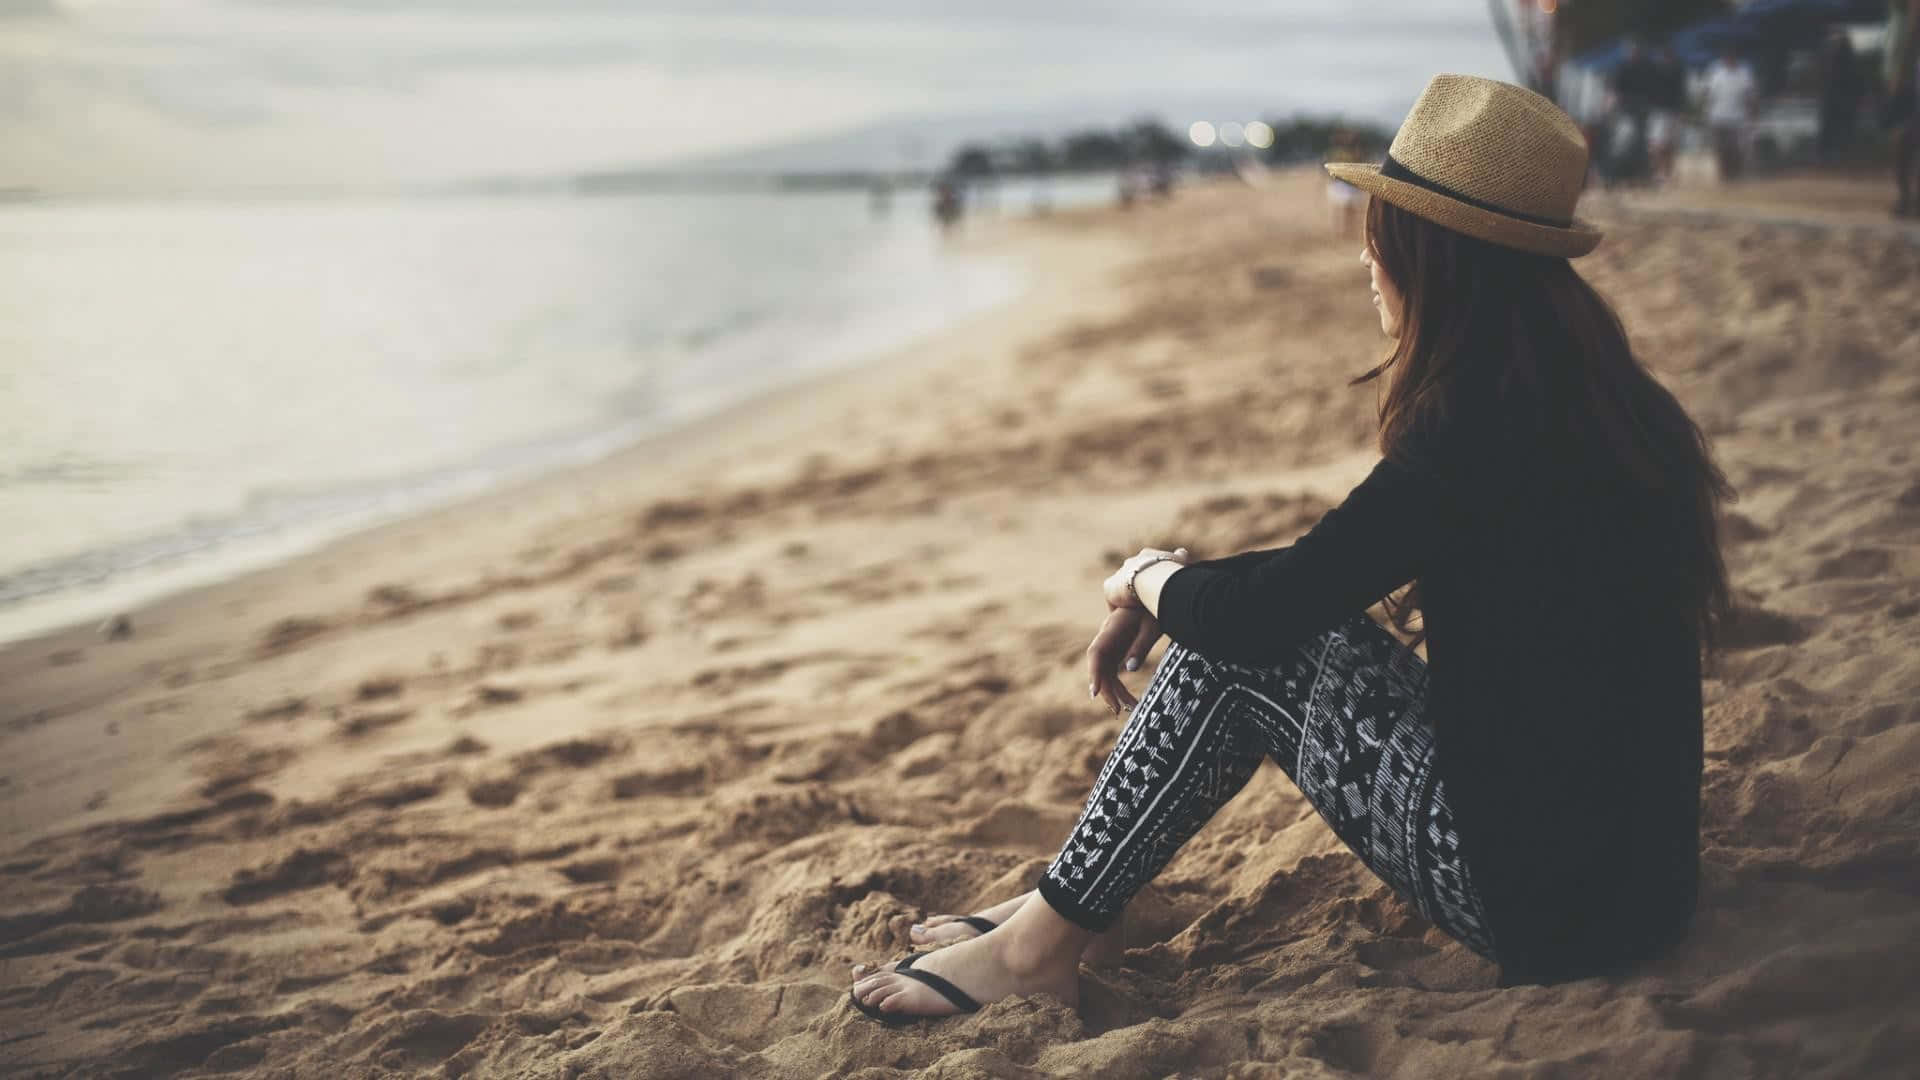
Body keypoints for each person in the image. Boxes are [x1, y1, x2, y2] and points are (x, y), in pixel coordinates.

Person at [849, 74, 1729, 1023]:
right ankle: (1070, 909)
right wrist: (1170, 586)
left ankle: (1040, 946)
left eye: (1381, 235)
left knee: (1239, 649)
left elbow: (1272, 616)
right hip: (1635, 880)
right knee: (1253, 628)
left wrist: (1147, 578)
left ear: (1437, 259)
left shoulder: (1478, 430)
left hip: (1552, 908)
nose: (1365, 259)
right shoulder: (1601, 403)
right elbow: (1323, 571)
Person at [1702, 46, 1757, 181]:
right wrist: (1705, 111)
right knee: (1721, 149)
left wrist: (1753, 114)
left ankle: (1736, 175)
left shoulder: (1744, 73)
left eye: (1732, 57)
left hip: (1738, 117)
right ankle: (1724, 176)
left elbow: (1750, 96)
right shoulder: (1715, 72)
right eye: (1727, 57)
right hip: (1717, 116)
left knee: (1736, 149)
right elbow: (1707, 93)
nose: (1729, 59)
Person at [1886, 0, 1920, 217]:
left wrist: (1902, 68)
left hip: (1909, 67)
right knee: (1907, 132)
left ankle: (1907, 198)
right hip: (1907, 66)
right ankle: (1908, 198)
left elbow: (1914, 24)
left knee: (1905, 132)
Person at [1818, 29, 1863, 161]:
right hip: (1834, 94)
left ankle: (1836, 151)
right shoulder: (1832, 49)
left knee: (1837, 122)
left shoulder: (1835, 49)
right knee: (1832, 122)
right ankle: (1831, 151)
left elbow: (1853, 76)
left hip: (1839, 94)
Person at [1323, 130, 1365, 238]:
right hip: (1345, 184)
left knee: (1346, 209)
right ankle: (1345, 230)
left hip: (1346, 184)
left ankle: (1345, 230)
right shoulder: (1351, 153)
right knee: (1346, 209)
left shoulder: (1340, 153)